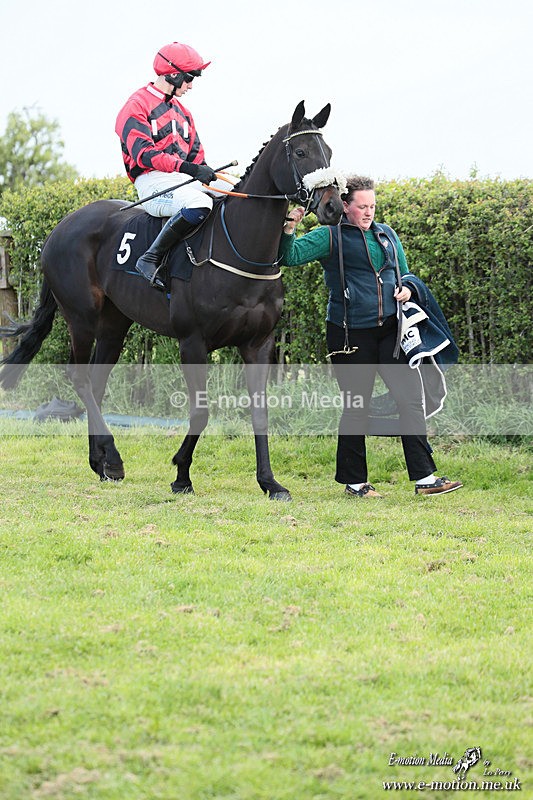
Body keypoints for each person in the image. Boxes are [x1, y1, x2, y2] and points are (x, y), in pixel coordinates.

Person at [279, 175, 463, 498]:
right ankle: (355, 483)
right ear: (345, 206)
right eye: (362, 206)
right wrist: (289, 227)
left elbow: (403, 274)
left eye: (373, 206)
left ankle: (425, 479)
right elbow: (289, 256)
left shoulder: (387, 235)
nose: (369, 212)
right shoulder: (329, 237)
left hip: (391, 334)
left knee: (410, 399)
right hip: (349, 335)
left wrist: (407, 289)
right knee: (356, 406)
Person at [115, 41, 217, 289]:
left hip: (181, 180)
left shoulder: (184, 113)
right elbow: (144, 154)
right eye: (190, 78)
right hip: (152, 181)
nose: (191, 85)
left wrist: (206, 170)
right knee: (200, 203)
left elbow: (195, 157)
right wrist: (190, 169)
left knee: (232, 194)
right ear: (173, 74)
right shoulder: (136, 105)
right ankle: (150, 258)